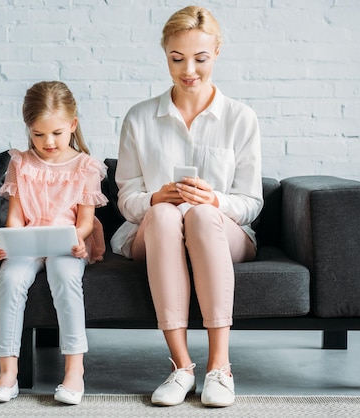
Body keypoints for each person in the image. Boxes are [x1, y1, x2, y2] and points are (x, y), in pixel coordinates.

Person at [110, 6, 263, 408]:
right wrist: (156, 198)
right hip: (154, 232)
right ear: (165, 54)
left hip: (219, 229)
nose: (188, 69)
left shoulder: (240, 118)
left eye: (200, 58)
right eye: (177, 59)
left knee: (201, 214)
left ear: (217, 53)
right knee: (163, 214)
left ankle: (220, 367)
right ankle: (181, 366)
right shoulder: (140, 118)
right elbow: (126, 199)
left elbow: (251, 202)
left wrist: (213, 199)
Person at [0, 81, 108, 405]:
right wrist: (7, 244)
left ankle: (74, 370)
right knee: (10, 279)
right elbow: (15, 218)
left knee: (65, 276)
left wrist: (78, 243)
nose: (47, 142)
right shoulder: (20, 163)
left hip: (67, 241)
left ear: (72, 126)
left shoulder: (85, 167)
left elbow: (83, 224)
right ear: (28, 129)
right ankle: (8, 372)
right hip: (29, 240)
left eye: (56, 133)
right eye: (38, 135)